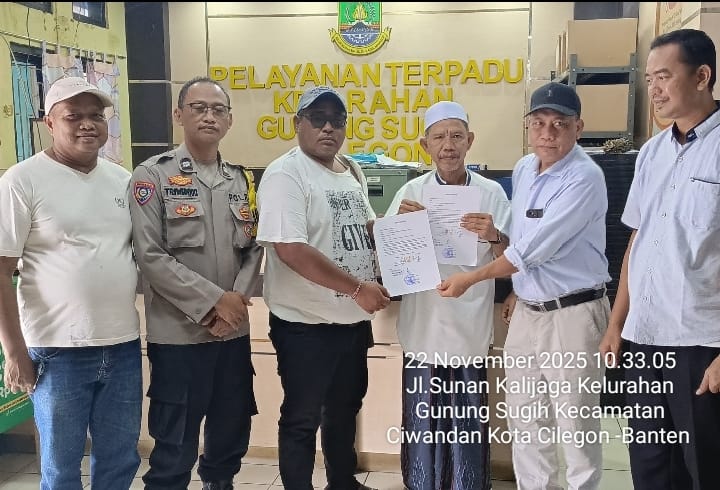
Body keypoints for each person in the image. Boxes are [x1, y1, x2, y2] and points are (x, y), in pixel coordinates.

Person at [438, 82, 611, 490]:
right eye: (538, 123)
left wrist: (470, 279)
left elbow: (531, 250)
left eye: (559, 124)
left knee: (575, 423)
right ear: (528, 127)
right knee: (527, 418)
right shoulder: (524, 169)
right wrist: (517, 289)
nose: (547, 133)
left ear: (578, 127)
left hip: (573, 314)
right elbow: (518, 236)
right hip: (529, 313)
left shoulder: (585, 177)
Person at [0, 77, 142, 489]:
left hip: (122, 346)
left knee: (119, 460)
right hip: (56, 351)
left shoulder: (121, 180)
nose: (87, 124)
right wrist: (14, 352)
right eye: (73, 116)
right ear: (49, 122)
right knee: (61, 468)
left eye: (96, 115)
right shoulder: (22, 180)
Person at [599, 29, 720, 490]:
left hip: (700, 345)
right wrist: (617, 324)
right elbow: (638, 240)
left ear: (702, 76)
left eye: (664, 76)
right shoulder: (651, 152)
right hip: (644, 340)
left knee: (704, 468)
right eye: (649, 79)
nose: (654, 89)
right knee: (650, 467)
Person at [129, 76, 263, 490]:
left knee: (231, 432)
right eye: (199, 108)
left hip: (232, 335)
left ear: (229, 120)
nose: (209, 116)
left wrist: (235, 303)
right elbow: (150, 256)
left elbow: (254, 248)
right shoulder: (152, 176)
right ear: (179, 115)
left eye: (218, 109)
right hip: (179, 337)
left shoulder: (241, 180)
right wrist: (214, 303)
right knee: (174, 446)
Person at [256, 85, 391, 490]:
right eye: (318, 118)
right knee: (302, 418)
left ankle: (342, 482)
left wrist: (399, 229)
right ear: (297, 124)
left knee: (345, 408)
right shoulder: (286, 174)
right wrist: (358, 289)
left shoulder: (350, 169)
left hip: (350, 321)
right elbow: (291, 250)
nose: (328, 127)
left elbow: (365, 226)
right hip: (305, 325)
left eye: (337, 119)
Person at [384, 100, 511, 490]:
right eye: (439, 137)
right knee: (423, 415)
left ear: (470, 141)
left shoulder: (491, 193)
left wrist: (495, 235)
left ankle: (468, 483)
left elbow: (514, 259)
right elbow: (390, 264)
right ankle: (421, 482)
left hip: (469, 323)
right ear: (426, 146)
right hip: (423, 323)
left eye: (457, 136)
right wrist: (399, 228)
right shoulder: (411, 191)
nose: (448, 145)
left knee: (466, 417)